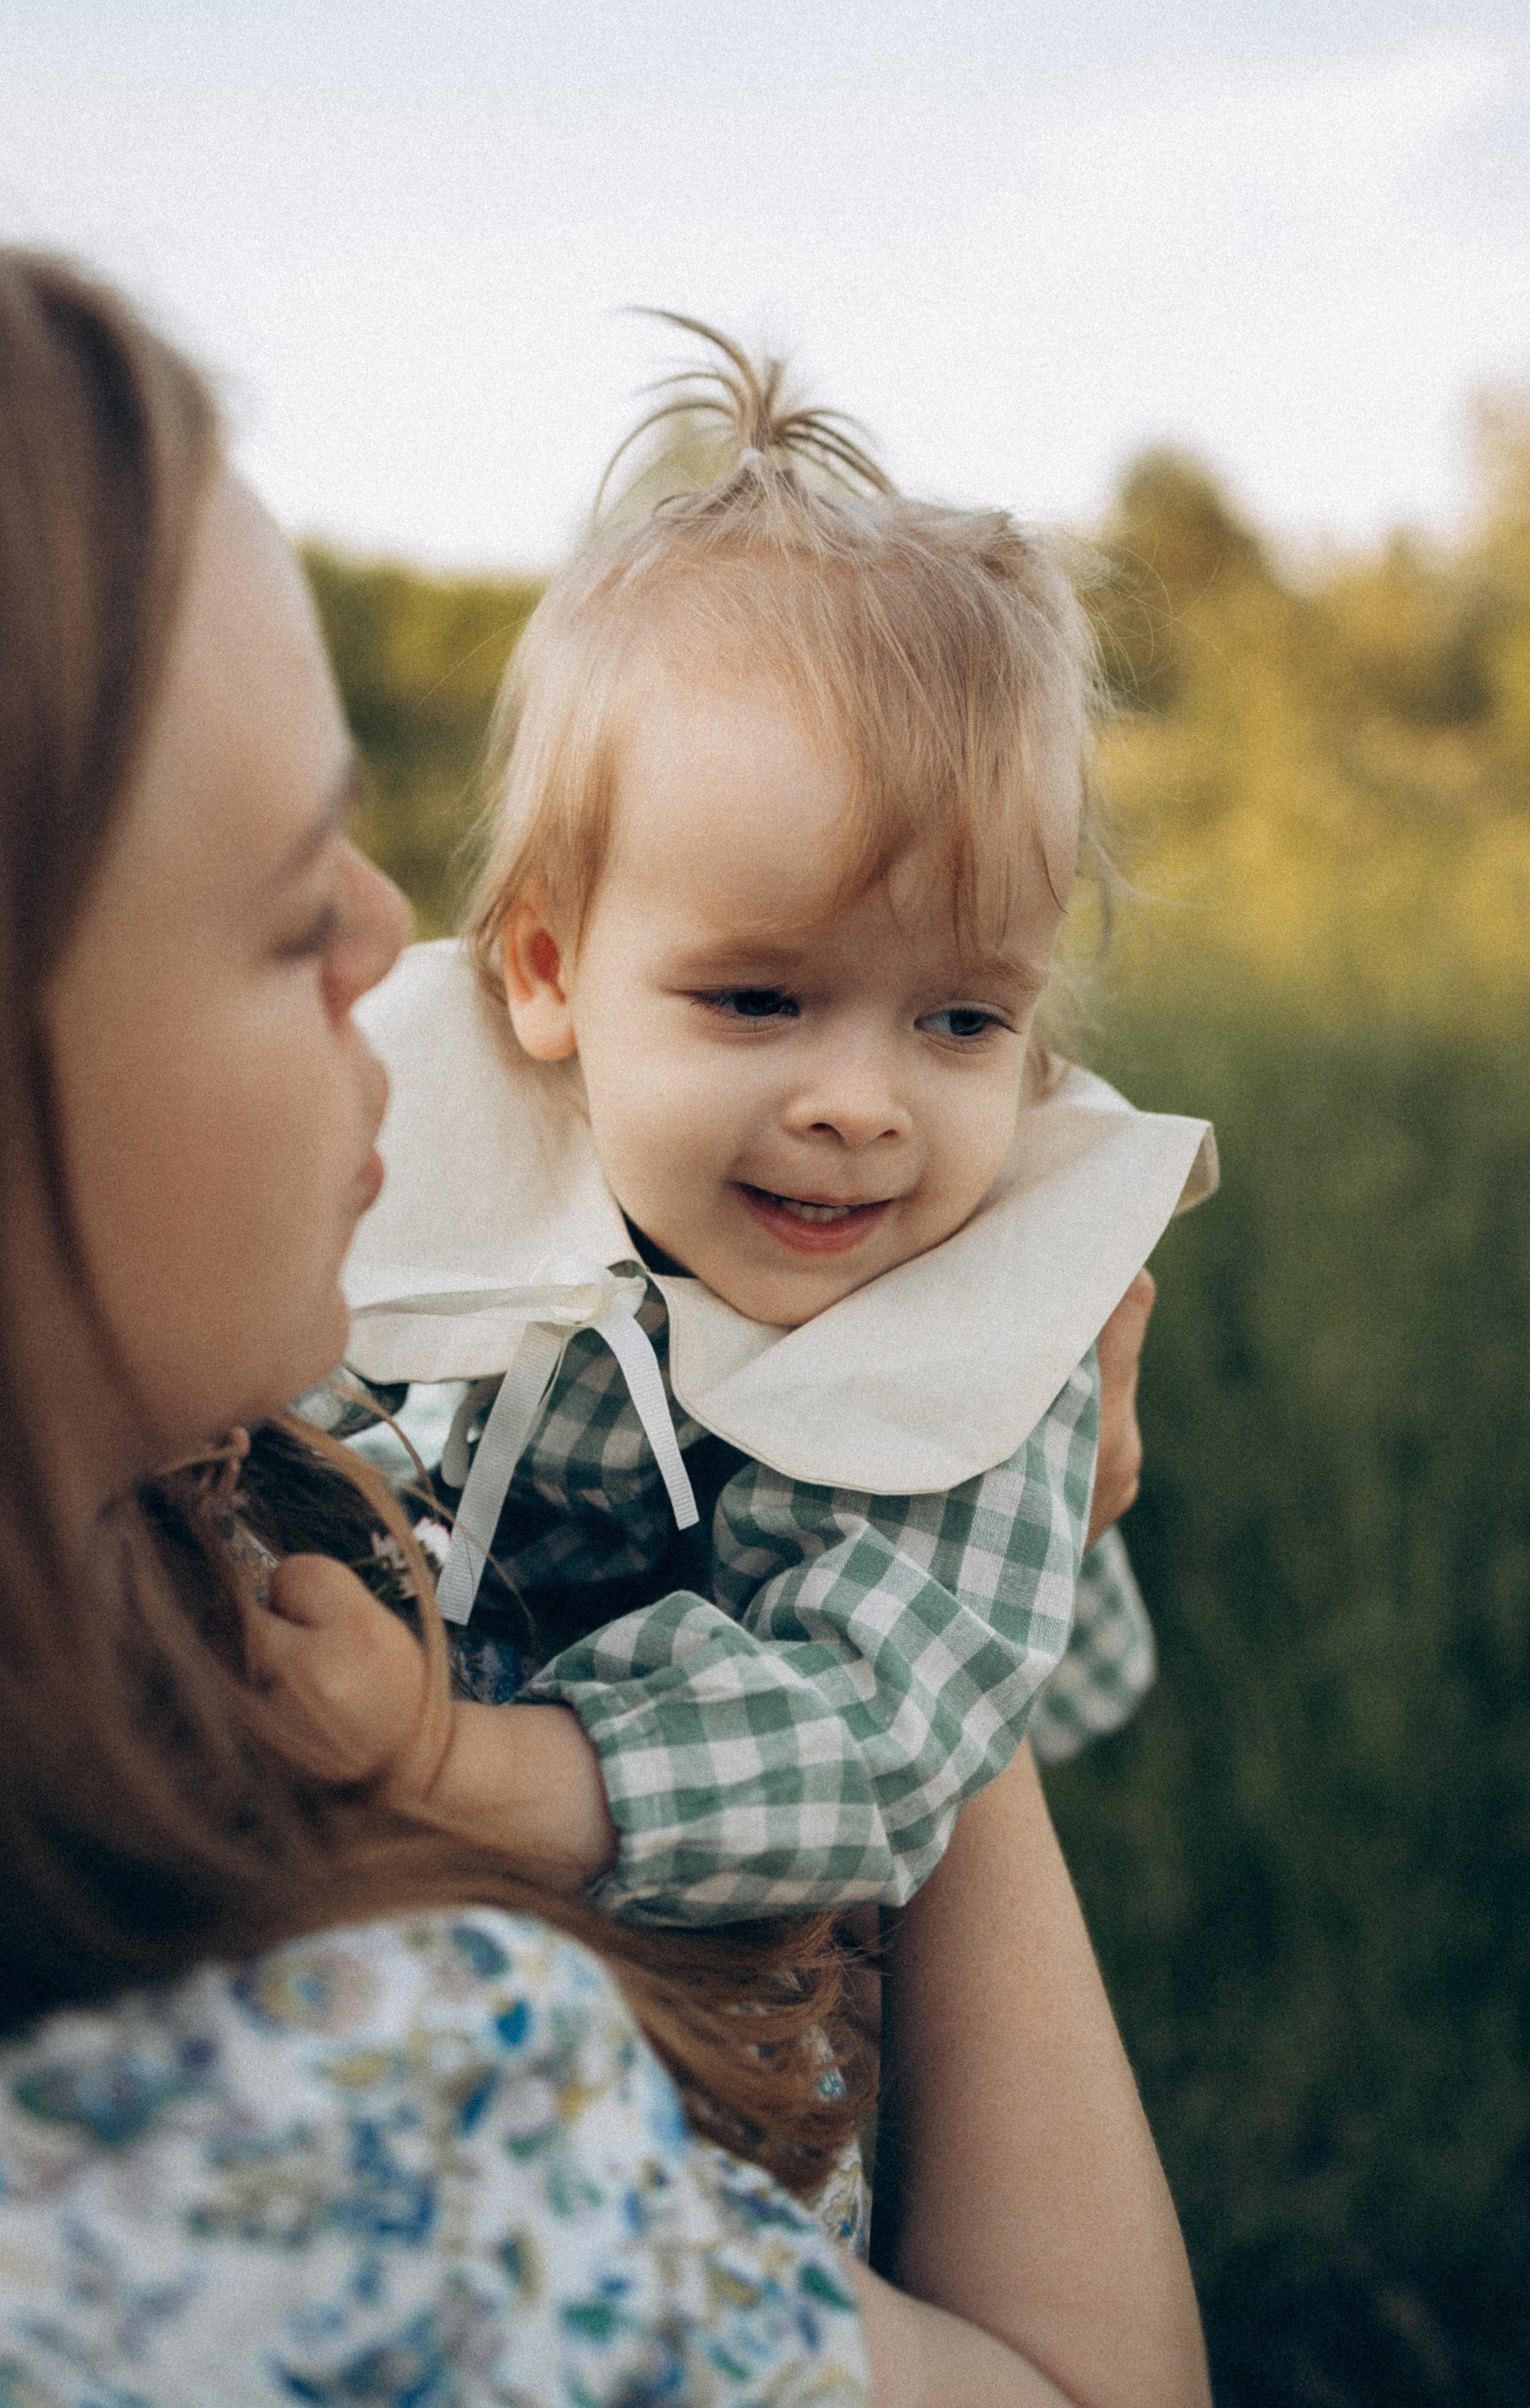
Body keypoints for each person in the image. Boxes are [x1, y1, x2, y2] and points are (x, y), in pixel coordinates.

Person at [0, 199, 1207, 2405]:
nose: (404, 940)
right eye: (295, 913)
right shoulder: (393, 2145)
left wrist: (963, 1474)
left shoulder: (66, 1588)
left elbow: (876, 1710)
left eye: (966, 1026)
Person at [335, 321, 1217, 1926]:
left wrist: (458, 1770)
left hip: (750, 1934)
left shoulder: (985, 1312)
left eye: (961, 1020)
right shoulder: (424, 1128)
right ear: (546, 974)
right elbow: (261, 1411)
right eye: (756, 1002)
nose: (860, 1109)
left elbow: (878, 1729)